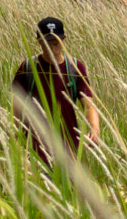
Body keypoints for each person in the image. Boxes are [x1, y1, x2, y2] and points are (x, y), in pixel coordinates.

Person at [11, 16, 100, 164]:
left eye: (55, 43)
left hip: (69, 150)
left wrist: (94, 129)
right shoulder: (27, 68)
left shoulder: (74, 68)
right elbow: (16, 109)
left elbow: (89, 105)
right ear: (39, 42)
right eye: (46, 44)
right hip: (36, 150)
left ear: (63, 41)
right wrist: (16, 141)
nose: (52, 49)